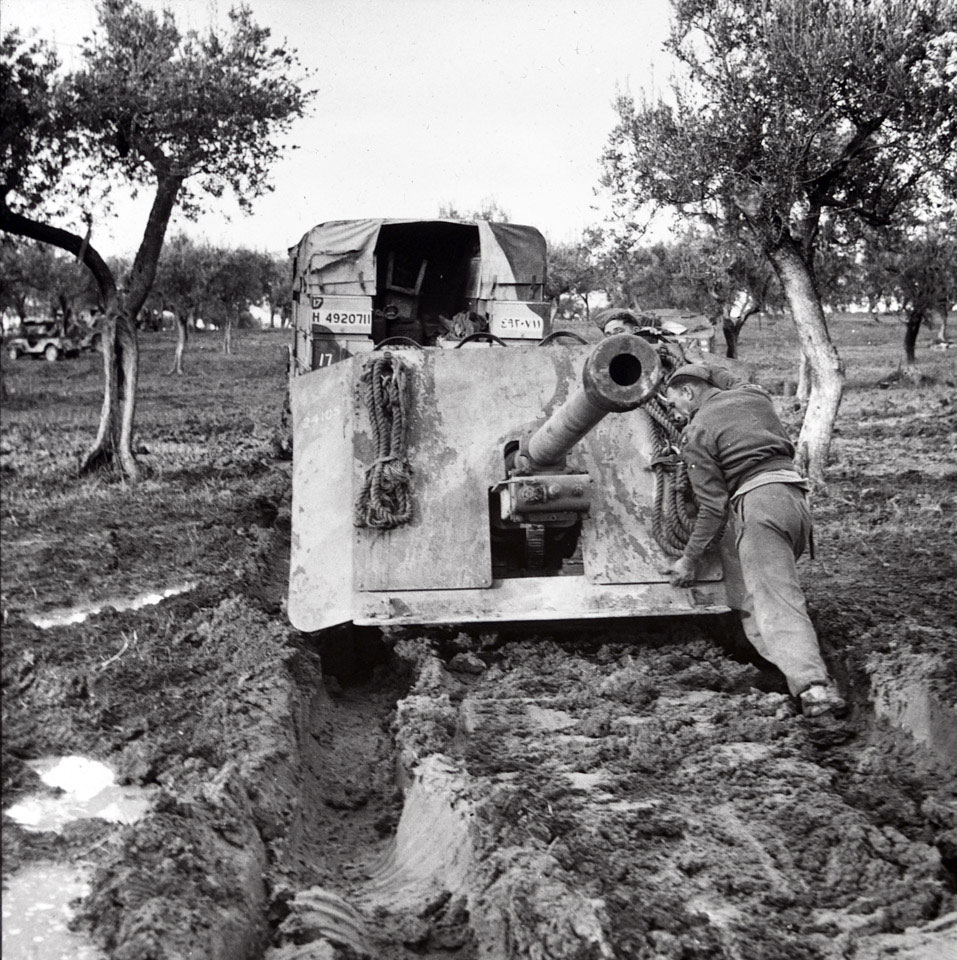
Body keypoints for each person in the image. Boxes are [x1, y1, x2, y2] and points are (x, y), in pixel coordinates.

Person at [661, 363, 846, 719]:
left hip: (759, 509)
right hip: (795, 501)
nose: (675, 413)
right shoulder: (752, 396)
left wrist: (688, 559)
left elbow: (713, 507)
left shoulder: (696, 431)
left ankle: (814, 689)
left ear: (689, 392)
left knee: (776, 600)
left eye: (674, 404)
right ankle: (790, 674)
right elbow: (723, 375)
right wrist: (691, 366)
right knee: (752, 597)